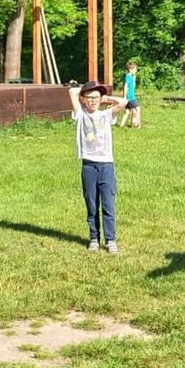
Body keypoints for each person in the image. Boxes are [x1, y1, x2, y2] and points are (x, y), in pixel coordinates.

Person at [69, 81, 126, 253]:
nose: (93, 101)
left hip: (106, 166)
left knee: (108, 205)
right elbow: (72, 91)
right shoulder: (80, 114)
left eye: (96, 98)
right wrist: (86, 90)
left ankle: (110, 240)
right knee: (92, 205)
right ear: (83, 99)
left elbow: (123, 102)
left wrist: (105, 98)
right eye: (89, 98)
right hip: (88, 166)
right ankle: (94, 238)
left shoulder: (107, 114)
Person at [118, 60, 141, 128]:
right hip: (130, 97)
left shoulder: (131, 76)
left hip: (130, 96)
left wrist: (134, 77)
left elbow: (133, 86)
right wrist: (125, 97)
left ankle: (121, 126)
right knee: (138, 109)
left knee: (127, 112)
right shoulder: (128, 76)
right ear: (130, 69)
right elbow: (125, 86)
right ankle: (137, 124)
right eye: (135, 69)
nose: (136, 71)